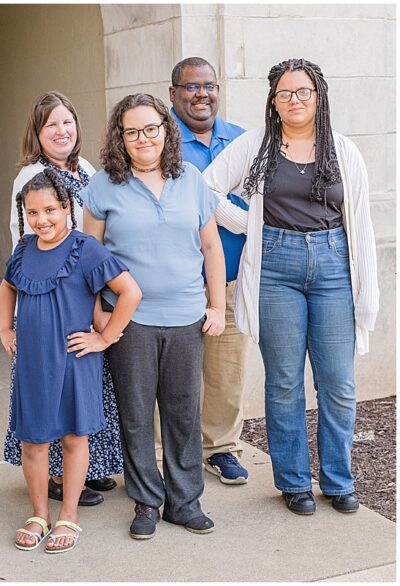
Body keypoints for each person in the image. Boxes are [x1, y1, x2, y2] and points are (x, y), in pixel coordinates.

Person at [204, 59, 378, 516]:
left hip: (334, 266)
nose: (293, 100)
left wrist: (368, 293)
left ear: (318, 96)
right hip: (276, 269)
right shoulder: (256, 146)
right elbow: (206, 190)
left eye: (302, 92)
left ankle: (339, 481)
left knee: (338, 383)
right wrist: (248, 225)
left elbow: (359, 221)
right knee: (283, 383)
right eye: (284, 94)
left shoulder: (342, 150)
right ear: (273, 102)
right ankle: (295, 483)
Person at [82, 93, 226, 539]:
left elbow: (211, 247)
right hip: (131, 322)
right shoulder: (103, 186)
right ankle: (146, 502)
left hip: (186, 318)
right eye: (132, 131)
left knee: (183, 413)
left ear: (166, 131)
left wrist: (216, 305)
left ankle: (185, 502)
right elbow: (90, 259)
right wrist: (98, 320)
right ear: (119, 138)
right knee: (137, 414)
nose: (142, 138)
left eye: (151, 128)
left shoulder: (193, 180)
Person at [0, 169, 141, 553]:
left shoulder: (85, 249)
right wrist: (5, 331)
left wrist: (104, 337)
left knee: (74, 438)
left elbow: (129, 291)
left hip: (75, 361)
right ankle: (39, 513)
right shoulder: (24, 250)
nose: (42, 220)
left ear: (66, 208)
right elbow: (7, 287)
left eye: (49, 210)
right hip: (31, 362)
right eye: (32, 213)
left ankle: (70, 515)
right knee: (34, 440)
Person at [4, 91, 123, 506]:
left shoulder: (85, 170)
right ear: (37, 132)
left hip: (82, 294)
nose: (61, 131)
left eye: (67, 122)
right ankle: (54, 477)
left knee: (79, 396)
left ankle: (83, 471)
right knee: (47, 397)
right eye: (51, 124)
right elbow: (27, 246)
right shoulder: (31, 176)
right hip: (47, 297)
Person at [168, 57, 251, 485]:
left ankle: (221, 448)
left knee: (226, 370)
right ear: (173, 94)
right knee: (169, 375)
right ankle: (167, 453)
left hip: (232, 276)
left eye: (209, 86)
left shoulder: (241, 140)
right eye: (191, 87)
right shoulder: (158, 141)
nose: (202, 94)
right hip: (174, 281)